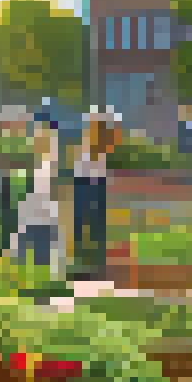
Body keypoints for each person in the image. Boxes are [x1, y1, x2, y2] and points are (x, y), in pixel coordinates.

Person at [13, 121, 62, 269]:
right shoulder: (34, 160)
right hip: (34, 208)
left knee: (42, 248)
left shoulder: (52, 161)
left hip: (45, 210)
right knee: (26, 246)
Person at [74, 108, 118, 273]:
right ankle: (86, 265)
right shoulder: (88, 147)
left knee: (94, 226)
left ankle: (93, 265)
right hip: (85, 181)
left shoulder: (98, 147)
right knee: (85, 225)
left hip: (94, 181)